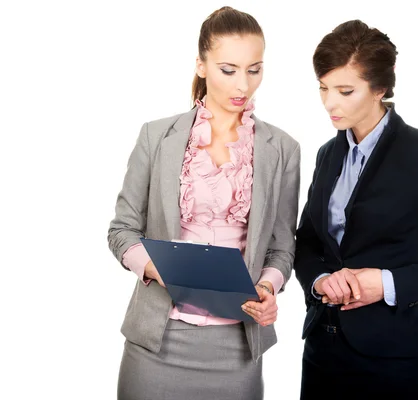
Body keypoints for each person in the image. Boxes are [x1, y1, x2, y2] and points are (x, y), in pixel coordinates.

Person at [107, 6, 300, 399]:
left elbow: (282, 246)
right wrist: (161, 268)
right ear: (201, 65)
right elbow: (121, 230)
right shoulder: (156, 137)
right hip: (158, 339)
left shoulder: (283, 149)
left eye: (254, 69)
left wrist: (267, 287)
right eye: (229, 69)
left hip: (238, 341)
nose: (242, 85)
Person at [294, 20, 418, 399]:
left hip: (390, 357)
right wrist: (320, 281)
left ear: (380, 87)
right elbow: (308, 242)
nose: (330, 102)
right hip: (321, 349)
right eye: (323, 88)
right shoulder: (328, 154)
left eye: (345, 90)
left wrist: (385, 284)